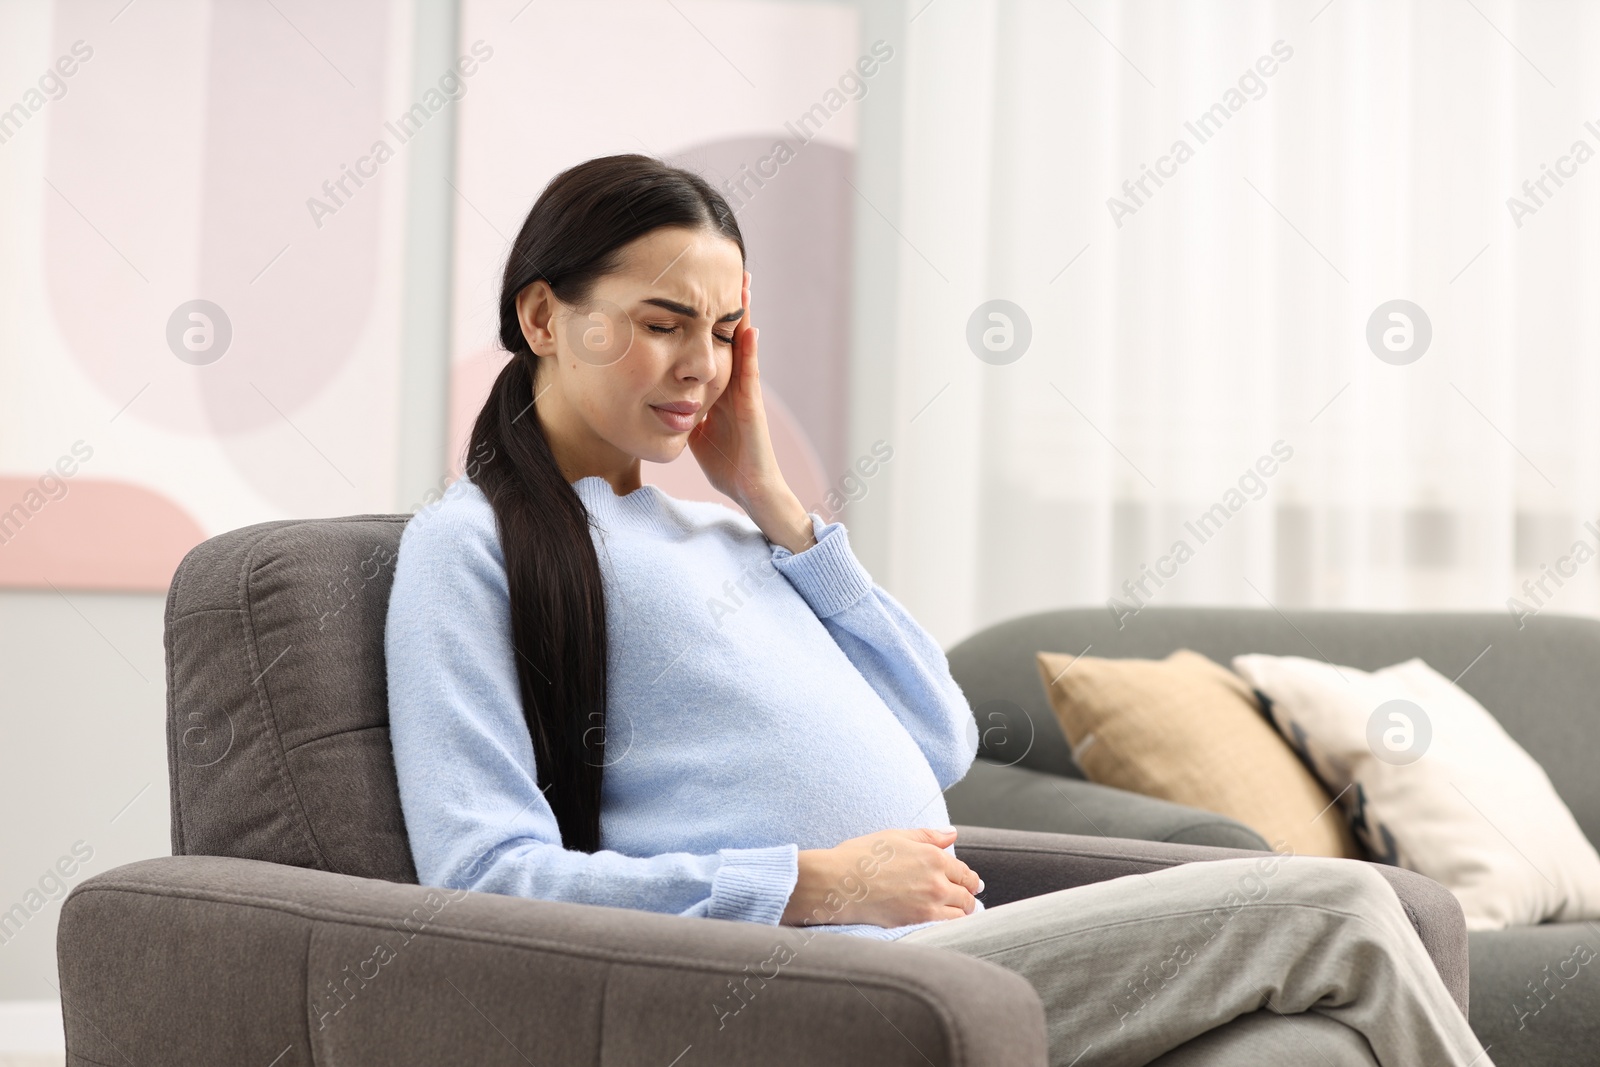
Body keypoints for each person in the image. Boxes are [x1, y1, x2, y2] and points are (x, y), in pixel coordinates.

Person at [383, 153, 1492, 1066]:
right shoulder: (469, 545)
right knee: (1341, 909)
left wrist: (779, 508)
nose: (702, 367)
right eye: (664, 321)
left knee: (1313, 1046)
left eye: (724, 333)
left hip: (947, 956)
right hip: (808, 985)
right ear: (542, 315)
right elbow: (483, 875)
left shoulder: (729, 533)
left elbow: (939, 733)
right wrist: (813, 882)